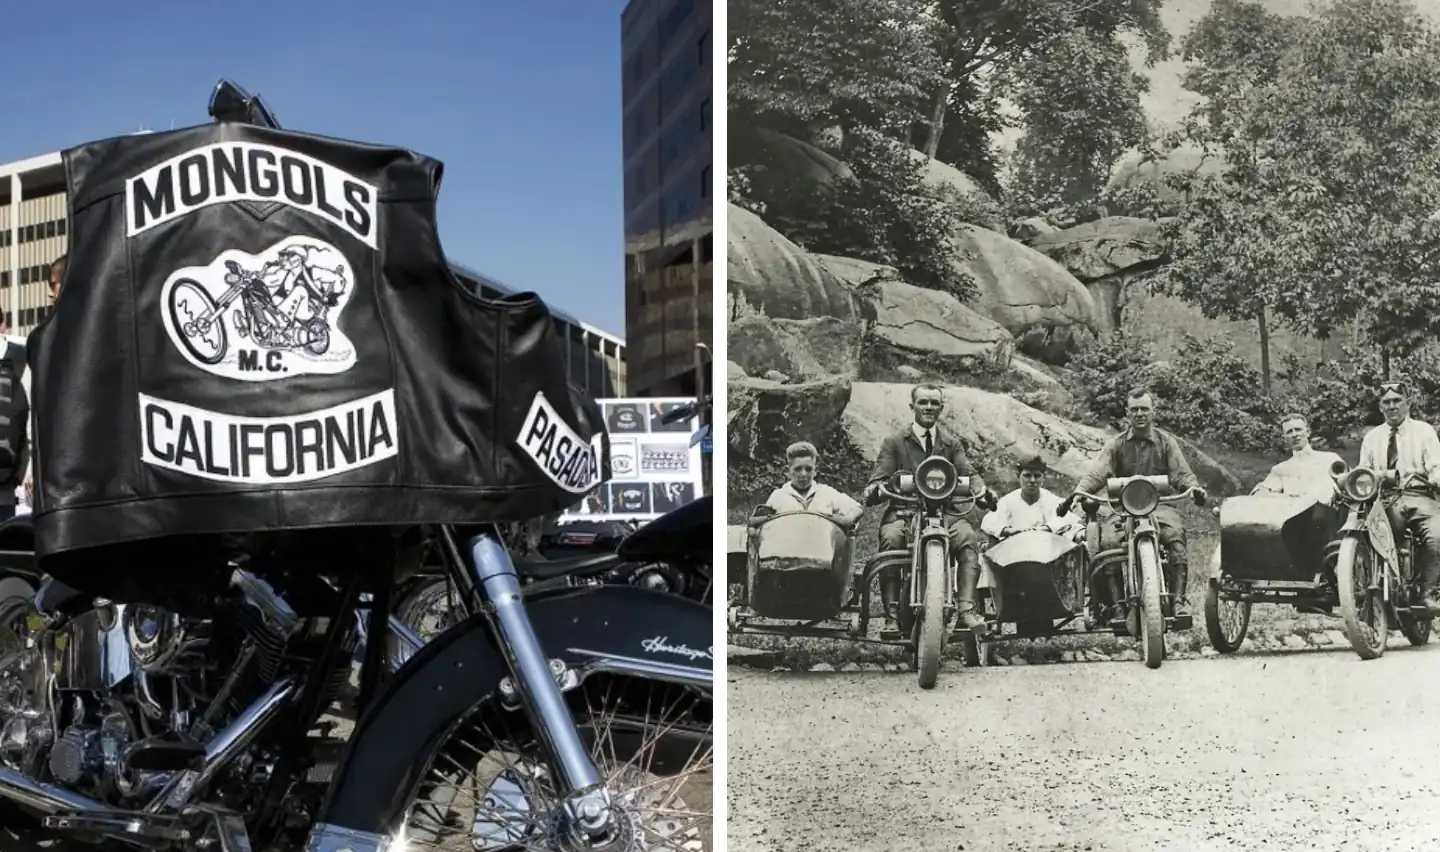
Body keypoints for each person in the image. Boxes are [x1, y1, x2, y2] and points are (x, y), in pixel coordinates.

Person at [1062, 387, 1207, 617]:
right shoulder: (1116, 445)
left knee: (1176, 540)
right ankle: (1117, 605)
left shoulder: (1166, 443)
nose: (1140, 414)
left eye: (1145, 409)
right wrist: (1080, 492)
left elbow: (1181, 474)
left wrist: (1193, 488)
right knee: (1108, 544)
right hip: (1121, 509)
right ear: (1127, 413)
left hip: (1158, 507)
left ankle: (1179, 601)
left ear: (1153, 412)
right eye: (1135, 409)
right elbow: (1097, 473)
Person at [863, 384, 990, 632]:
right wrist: (877, 487)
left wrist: (982, 489)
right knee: (891, 537)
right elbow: (880, 475)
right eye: (923, 402)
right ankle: (890, 614)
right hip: (905, 513)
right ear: (912, 406)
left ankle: (965, 610)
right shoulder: (895, 442)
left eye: (934, 403)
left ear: (941, 408)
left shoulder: (952, 444)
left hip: (946, 515)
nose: (929, 407)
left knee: (967, 537)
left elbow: (969, 473)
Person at [1358, 381, 1440, 614]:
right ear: (1380, 407)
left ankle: (1426, 593)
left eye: (1397, 401)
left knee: (1437, 535)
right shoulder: (1372, 437)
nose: (1392, 406)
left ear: (1407, 403)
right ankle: (1367, 589)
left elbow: (1436, 463)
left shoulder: (1423, 431)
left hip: (1418, 496)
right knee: (1368, 536)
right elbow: (1363, 471)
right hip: (1383, 499)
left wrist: (1437, 478)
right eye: (1386, 402)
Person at [980, 455, 1084, 542]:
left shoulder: (1050, 499)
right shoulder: (1008, 501)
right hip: (1015, 551)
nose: (1032, 480)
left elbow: (1069, 519)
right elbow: (988, 522)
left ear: (1043, 477)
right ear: (1018, 475)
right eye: (1027, 475)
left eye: (1037, 476)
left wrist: (1046, 528)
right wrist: (1009, 531)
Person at [763, 442, 863, 528]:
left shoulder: (826, 492)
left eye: (808, 469)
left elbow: (856, 508)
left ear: (815, 471)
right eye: (798, 469)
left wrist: (848, 519)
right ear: (787, 471)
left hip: (821, 547)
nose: (803, 474)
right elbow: (762, 522)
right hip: (789, 547)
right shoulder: (779, 496)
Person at [1252, 413, 1344, 503]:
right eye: (1289, 432)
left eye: (1298, 429)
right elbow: (1257, 495)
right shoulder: (1281, 469)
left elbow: (1352, 484)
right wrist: (1284, 497)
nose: (1294, 435)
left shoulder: (1330, 459)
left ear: (1308, 432)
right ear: (1284, 438)